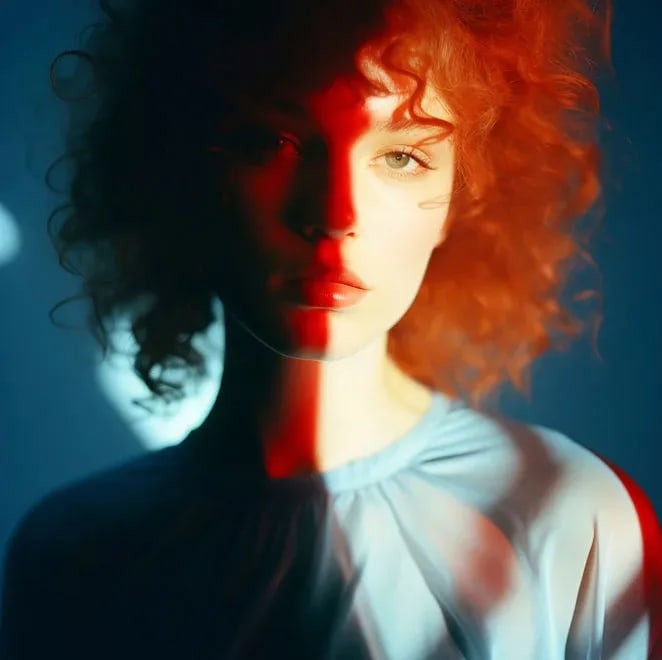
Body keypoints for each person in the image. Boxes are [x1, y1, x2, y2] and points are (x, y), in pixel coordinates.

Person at [1, 0, 660, 658]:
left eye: (402, 155)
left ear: (461, 195)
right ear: (181, 173)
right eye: (269, 141)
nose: (336, 213)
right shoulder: (73, 555)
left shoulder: (573, 517)